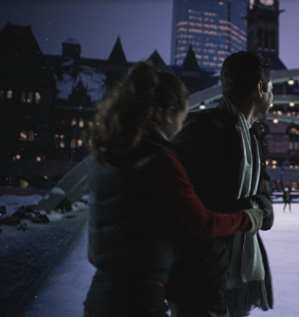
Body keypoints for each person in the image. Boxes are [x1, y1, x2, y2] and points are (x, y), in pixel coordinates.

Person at [83, 62, 266, 316]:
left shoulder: (105, 153)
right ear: (168, 113)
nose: (178, 130)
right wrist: (248, 218)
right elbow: (203, 223)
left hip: (100, 294)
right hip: (140, 299)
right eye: (181, 120)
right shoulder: (158, 159)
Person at [168, 51, 274, 317]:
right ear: (259, 89)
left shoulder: (256, 139)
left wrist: (252, 208)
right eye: (271, 90)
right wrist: (247, 211)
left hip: (238, 278)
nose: (273, 99)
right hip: (199, 280)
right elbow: (180, 206)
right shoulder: (204, 131)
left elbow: (266, 208)